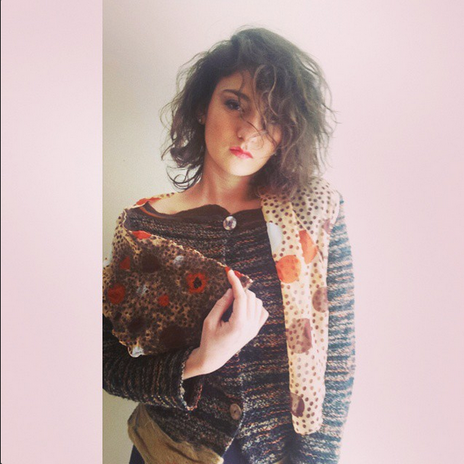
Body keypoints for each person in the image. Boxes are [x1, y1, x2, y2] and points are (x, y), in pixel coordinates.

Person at [103, 26, 356, 464]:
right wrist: (199, 360)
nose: (249, 132)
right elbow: (109, 364)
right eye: (234, 104)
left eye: (273, 116)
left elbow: (338, 360)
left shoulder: (313, 215)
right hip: (165, 452)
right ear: (203, 106)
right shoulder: (142, 226)